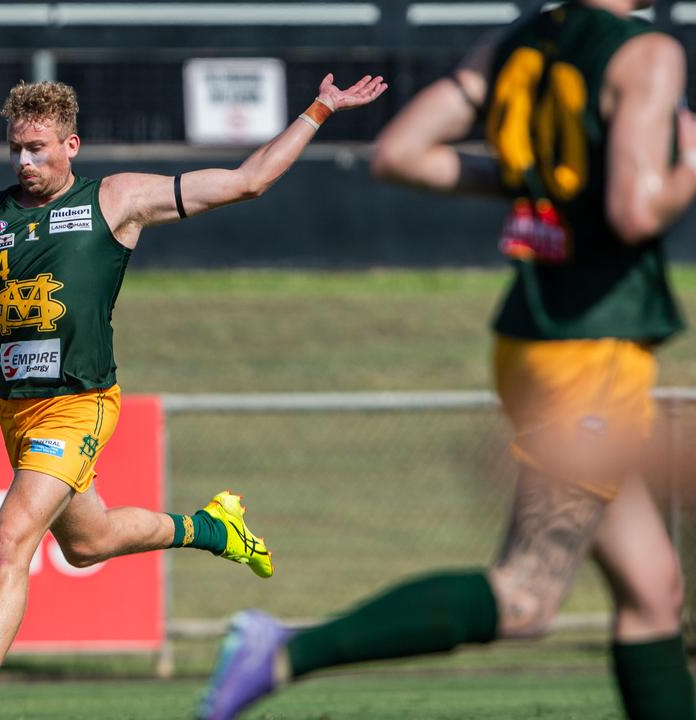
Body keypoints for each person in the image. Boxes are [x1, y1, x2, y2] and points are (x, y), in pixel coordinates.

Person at [0, 75, 387, 719]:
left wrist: (320, 109)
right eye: (15, 149)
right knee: (86, 544)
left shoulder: (114, 201)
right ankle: (211, 526)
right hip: (17, 412)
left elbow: (246, 180)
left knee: (11, 541)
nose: (24, 161)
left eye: (37, 148)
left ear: (72, 144)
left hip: (80, 403)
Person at [197, 2, 696, 719]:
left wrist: (536, 181)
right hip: (594, 345)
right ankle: (280, 651)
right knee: (526, 596)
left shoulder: (519, 42)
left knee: (654, 592)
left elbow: (400, 152)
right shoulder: (647, 53)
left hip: (532, 340)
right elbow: (636, 213)